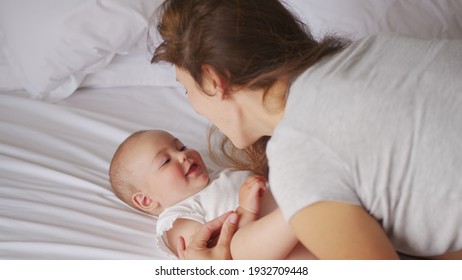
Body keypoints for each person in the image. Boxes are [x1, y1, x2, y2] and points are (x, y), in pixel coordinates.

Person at [150, 0, 462, 259]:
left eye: (186, 89)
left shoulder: (301, 162)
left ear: (213, 81)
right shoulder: (380, 46)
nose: (195, 107)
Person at [109, 129, 315, 259]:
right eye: (165, 161)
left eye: (182, 147)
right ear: (146, 200)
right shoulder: (178, 217)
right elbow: (216, 255)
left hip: (311, 238)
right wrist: (246, 211)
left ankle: (303, 205)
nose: (183, 155)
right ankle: (300, 206)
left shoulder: (223, 175)